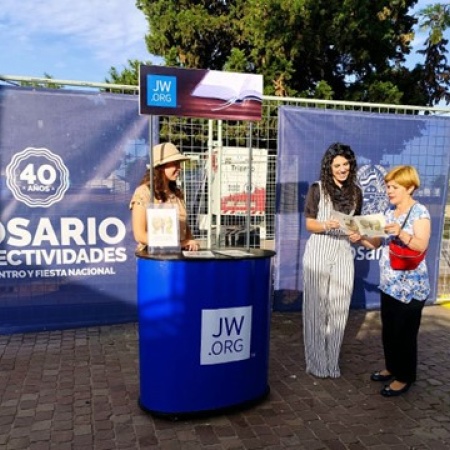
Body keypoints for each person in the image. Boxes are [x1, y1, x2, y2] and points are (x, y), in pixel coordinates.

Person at [357, 165, 430, 397]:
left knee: (405, 334)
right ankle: (392, 367)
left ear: (409, 188)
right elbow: (376, 243)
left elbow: (421, 245)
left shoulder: (421, 213)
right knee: (389, 330)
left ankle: (405, 377)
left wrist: (401, 232)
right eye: (387, 186)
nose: (389, 191)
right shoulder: (389, 214)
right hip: (389, 283)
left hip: (411, 287)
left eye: (394, 187)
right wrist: (360, 238)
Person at [302, 142, 363, 378]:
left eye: (345, 164)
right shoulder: (317, 189)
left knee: (339, 307)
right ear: (329, 167)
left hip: (344, 250)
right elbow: (309, 224)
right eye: (337, 165)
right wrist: (325, 223)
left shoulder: (357, 192)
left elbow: (355, 225)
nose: (342, 169)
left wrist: (358, 233)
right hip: (320, 246)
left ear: (351, 165)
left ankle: (332, 362)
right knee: (316, 308)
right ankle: (317, 363)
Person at [130, 142, 200, 252]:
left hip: (179, 258)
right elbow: (140, 235)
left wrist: (191, 242)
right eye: (175, 164)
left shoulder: (177, 193)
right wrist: (179, 244)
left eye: (179, 163)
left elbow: (186, 230)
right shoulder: (143, 192)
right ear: (160, 167)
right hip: (154, 259)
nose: (179, 168)